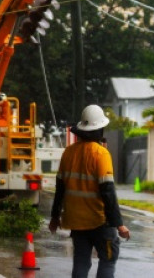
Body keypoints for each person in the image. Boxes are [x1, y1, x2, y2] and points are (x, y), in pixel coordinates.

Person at [49, 104, 130, 278]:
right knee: (108, 259)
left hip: (76, 222)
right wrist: (119, 224)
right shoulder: (101, 154)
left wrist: (55, 217)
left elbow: (60, 189)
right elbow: (107, 192)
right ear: (100, 129)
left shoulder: (68, 153)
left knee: (81, 262)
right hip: (99, 221)